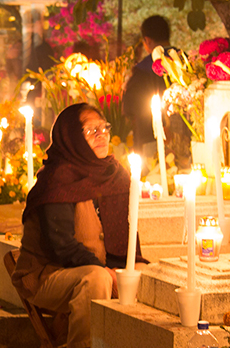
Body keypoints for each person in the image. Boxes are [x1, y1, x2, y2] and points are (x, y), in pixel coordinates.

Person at [11, 103, 148, 348]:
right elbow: (60, 245)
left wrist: (124, 267)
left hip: (100, 267)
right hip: (49, 272)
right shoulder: (58, 179)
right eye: (90, 130)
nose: (101, 135)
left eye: (103, 128)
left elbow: (128, 233)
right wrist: (106, 271)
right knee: (96, 279)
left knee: (148, 276)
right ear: (71, 137)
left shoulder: (114, 175)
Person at [122, 15, 178, 170]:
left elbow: (130, 107)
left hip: (149, 137)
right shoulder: (185, 62)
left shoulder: (142, 70)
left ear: (147, 40)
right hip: (184, 138)